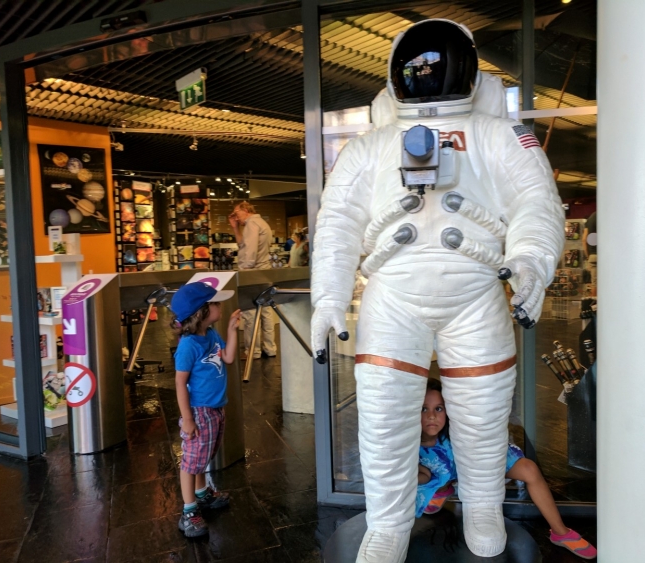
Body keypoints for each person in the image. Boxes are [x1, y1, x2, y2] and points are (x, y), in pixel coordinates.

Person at [310, 19, 564, 562]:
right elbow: (337, 223)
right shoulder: (371, 146)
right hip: (393, 294)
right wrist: (328, 294)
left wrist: (529, 262)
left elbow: (536, 205)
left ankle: (482, 509)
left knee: (481, 417)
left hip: (474, 292)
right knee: (382, 418)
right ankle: (387, 525)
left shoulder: (501, 135)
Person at [417, 379, 597, 560]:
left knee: (529, 469)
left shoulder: (457, 429)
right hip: (439, 471)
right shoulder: (410, 445)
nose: (432, 416)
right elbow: (422, 475)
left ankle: (560, 532)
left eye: (438, 408)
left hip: (471, 463)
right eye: (424, 409)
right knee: (436, 473)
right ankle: (441, 488)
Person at [170, 282, 241, 538]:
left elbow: (229, 358)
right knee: (191, 461)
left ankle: (202, 495)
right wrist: (187, 419)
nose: (219, 305)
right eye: (215, 302)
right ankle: (189, 511)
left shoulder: (211, 335)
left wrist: (232, 330)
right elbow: (179, 382)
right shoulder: (188, 346)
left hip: (216, 408)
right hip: (199, 411)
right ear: (201, 311)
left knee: (205, 455)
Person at [228, 201, 277, 359]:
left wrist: (245, 273)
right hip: (265, 272)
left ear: (245, 210)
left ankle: (252, 351)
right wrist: (235, 227)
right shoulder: (261, 223)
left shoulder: (251, 224)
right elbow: (243, 244)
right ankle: (270, 348)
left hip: (252, 273)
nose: (236, 217)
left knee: (250, 313)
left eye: (237, 213)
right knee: (266, 311)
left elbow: (249, 253)